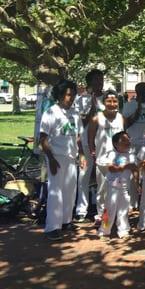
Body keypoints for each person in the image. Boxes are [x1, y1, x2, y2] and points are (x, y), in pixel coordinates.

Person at [39, 79, 84, 241]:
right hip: (56, 157)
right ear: (59, 95)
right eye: (67, 95)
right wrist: (50, 158)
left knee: (70, 192)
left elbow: (78, 137)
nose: (70, 98)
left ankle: (66, 221)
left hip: (71, 157)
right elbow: (42, 138)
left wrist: (82, 154)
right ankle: (52, 227)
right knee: (55, 192)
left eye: (73, 95)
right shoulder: (51, 112)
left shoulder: (74, 113)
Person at [86, 90, 125, 225]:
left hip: (117, 160)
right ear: (103, 103)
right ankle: (102, 218)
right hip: (102, 160)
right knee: (102, 191)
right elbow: (90, 138)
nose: (112, 104)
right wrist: (92, 151)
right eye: (109, 101)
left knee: (117, 189)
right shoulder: (97, 118)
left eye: (115, 101)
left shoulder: (120, 117)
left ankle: (116, 218)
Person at [73, 69, 105, 223]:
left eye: (102, 79)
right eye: (97, 80)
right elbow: (81, 123)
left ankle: (102, 209)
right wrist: (92, 109)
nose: (100, 82)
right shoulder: (81, 100)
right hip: (86, 144)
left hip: (104, 145)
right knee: (84, 177)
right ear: (90, 82)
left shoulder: (108, 98)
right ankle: (81, 210)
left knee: (102, 178)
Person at [96, 131, 138, 239]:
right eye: (123, 140)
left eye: (128, 140)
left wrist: (137, 183)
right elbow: (111, 168)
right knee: (109, 208)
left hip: (125, 186)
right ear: (115, 143)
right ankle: (104, 230)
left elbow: (134, 169)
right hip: (112, 185)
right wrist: (124, 167)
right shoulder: (112, 154)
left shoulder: (131, 155)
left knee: (123, 209)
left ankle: (123, 230)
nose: (126, 142)